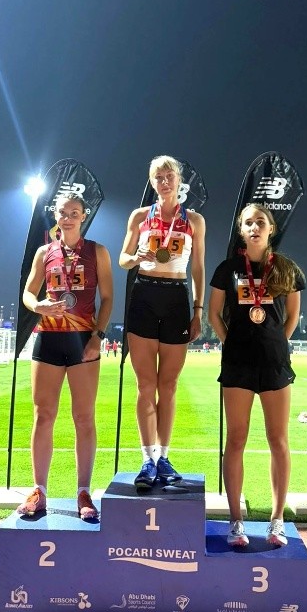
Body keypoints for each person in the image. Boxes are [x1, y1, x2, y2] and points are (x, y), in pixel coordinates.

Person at [208, 203, 305, 548]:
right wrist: (230, 342)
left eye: (260, 222)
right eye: (248, 222)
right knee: (236, 439)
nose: (254, 227)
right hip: (238, 363)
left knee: (278, 440)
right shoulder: (228, 269)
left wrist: (276, 342)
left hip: (275, 363)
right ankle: (236, 521)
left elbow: (292, 315)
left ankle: (277, 520)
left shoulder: (286, 268)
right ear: (241, 230)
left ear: (271, 229)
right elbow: (214, 314)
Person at [17, 193, 113, 519]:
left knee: (83, 418)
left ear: (83, 216)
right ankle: (39, 491)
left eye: (74, 213)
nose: (68, 218)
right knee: (43, 415)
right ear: (55, 215)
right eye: (63, 212)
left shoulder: (97, 252)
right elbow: (29, 292)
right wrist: (38, 305)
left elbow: (108, 298)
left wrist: (98, 336)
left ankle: (84, 492)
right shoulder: (44, 252)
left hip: (84, 341)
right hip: (48, 338)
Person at [119, 155, 205, 489]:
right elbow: (123, 259)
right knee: (145, 386)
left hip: (176, 299)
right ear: (152, 182)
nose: (164, 181)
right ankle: (147, 459)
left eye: (169, 176)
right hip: (144, 295)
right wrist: (135, 257)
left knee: (168, 386)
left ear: (179, 180)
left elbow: (198, 267)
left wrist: (197, 310)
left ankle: (164, 456)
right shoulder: (140, 216)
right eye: (158, 177)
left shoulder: (194, 220)